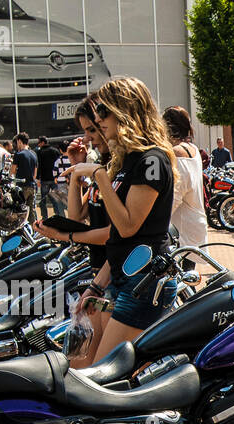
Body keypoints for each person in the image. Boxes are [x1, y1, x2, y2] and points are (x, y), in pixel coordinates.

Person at [66, 77, 178, 364]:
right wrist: (96, 285)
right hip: (121, 279)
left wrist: (99, 176)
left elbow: (128, 226)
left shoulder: (151, 159)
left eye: (104, 111)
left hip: (144, 282)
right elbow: (118, 235)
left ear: (125, 111)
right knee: (82, 365)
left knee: (104, 378)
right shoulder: (128, 159)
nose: (99, 118)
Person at [39, 100, 112, 361]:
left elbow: (111, 233)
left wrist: (66, 236)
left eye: (93, 129)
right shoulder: (99, 168)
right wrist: (75, 171)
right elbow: (76, 214)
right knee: (81, 361)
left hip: (111, 276)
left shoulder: (114, 170)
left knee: (94, 364)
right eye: (86, 131)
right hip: (99, 273)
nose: (88, 137)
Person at [163, 105, 207, 254]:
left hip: (182, 228)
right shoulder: (192, 149)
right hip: (195, 221)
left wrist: (158, 221)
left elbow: (175, 195)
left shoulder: (176, 153)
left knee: (182, 275)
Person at [35, 135, 64, 217]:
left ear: (43, 142)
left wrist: (38, 178)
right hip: (54, 178)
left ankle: (45, 218)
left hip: (44, 179)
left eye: (39, 143)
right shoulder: (55, 151)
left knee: (43, 199)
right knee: (56, 199)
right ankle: (59, 215)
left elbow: (38, 166)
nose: (38, 145)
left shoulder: (39, 152)